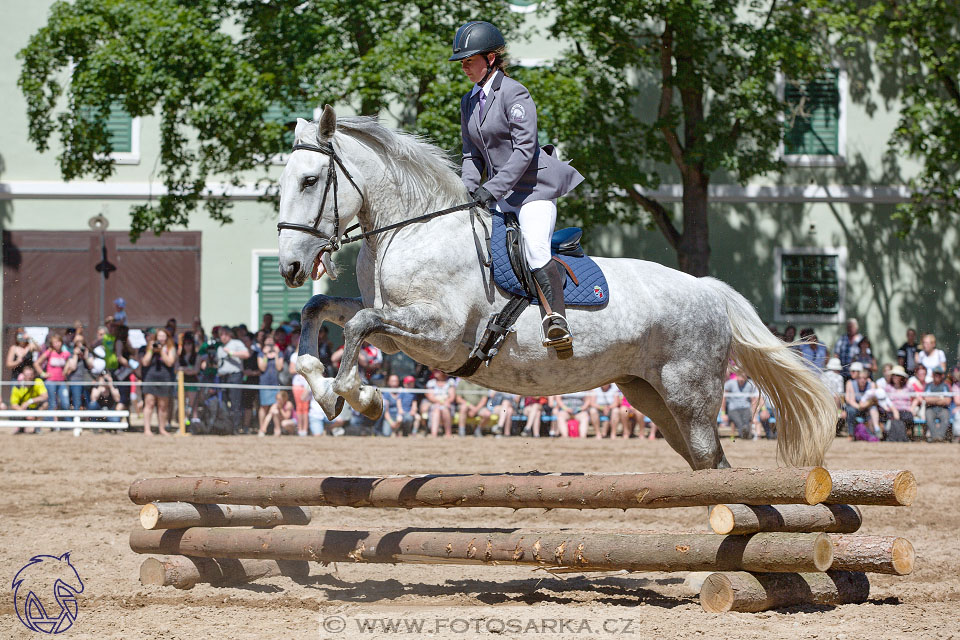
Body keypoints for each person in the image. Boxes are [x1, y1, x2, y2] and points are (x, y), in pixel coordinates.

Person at [451, 20, 584, 351]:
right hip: (500, 192)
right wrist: (467, 189)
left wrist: (491, 188)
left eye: (470, 60)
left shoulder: (514, 93)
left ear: (492, 59)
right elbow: (471, 155)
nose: (465, 66)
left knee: (535, 248)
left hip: (532, 190)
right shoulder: (469, 101)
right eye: (463, 62)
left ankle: (556, 320)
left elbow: (525, 150)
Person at [142, 328, 177, 436]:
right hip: (151, 377)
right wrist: (152, 350)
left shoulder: (170, 348)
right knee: (149, 403)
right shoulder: (150, 346)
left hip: (165, 377)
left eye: (163, 336)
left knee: (163, 405)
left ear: (167, 338)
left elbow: (170, 362)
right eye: (159, 336)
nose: (161, 338)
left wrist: (161, 351)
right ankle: (147, 429)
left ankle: (162, 429)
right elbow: (145, 362)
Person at [217, 326, 250, 432]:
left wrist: (231, 353)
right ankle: (227, 426)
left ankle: (235, 427)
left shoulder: (236, 343)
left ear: (229, 334)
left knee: (236, 403)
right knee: (224, 403)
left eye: (224, 334)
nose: (222, 337)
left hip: (235, 376)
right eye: (220, 335)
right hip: (223, 377)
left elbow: (246, 354)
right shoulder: (220, 347)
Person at [34, 332, 71, 417]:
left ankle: (65, 423)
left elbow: (69, 362)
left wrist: (66, 370)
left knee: (65, 403)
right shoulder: (49, 352)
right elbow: (36, 363)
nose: (56, 344)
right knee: (52, 402)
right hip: (51, 381)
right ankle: (51, 423)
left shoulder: (64, 353)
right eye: (54, 342)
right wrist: (43, 374)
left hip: (61, 381)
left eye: (58, 342)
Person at [257, 335, 285, 436]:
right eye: (267, 340)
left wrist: (276, 354)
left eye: (271, 340)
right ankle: (262, 428)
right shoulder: (261, 354)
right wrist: (265, 355)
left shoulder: (279, 353)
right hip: (264, 383)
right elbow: (262, 368)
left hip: (275, 383)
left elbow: (279, 367)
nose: (269, 342)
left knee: (275, 406)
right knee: (264, 407)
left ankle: (277, 429)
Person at [844, 362, 878, 441]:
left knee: (873, 409)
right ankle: (851, 434)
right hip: (856, 406)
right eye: (860, 378)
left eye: (864, 378)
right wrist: (860, 406)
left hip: (867, 406)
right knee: (851, 410)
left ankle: (873, 433)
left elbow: (873, 400)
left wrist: (865, 405)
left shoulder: (871, 384)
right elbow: (850, 400)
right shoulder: (850, 383)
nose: (862, 380)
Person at [723, 371, 759, 440]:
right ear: (737, 376)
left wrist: (754, 414)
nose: (741, 379)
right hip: (733, 409)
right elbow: (723, 397)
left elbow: (754, 400)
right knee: (739, 422)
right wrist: (723, 413)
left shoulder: (750, 384)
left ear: (746, 377)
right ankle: (746, 434)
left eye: (743, 377)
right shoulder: (730, 383)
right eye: (740, 376)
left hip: (746, 408)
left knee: (746, 421)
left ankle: (745, 434)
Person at [885, 366, 914, 442]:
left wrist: (913, 407)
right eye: (894, 375)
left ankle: (895, 439)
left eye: (897, 375)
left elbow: (917, 397)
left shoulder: (908, 387)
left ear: (902, 377)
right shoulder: (888, 387)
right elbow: (885, 400)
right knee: (896, 419)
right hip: (892, 411)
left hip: (905, 411)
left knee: (903, 418)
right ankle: (901, 439)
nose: (895, 377)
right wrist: (894, 410)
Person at [178, 333, 201, 424]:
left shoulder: (196, 356)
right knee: (182, 404)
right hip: (182, 382)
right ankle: (183, 422)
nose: (187, 346)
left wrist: (184, 369)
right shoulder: (180, 357)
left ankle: (194, 421)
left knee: (193, 403)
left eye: (189, 344)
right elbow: (177, 369)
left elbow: (196, 370)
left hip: (192, 381)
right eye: (185, 344)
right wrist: (187, 369)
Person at [923, 366, 951, 442]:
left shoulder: (946, 386)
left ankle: (939, 437)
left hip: (943, 409)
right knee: (928, 416)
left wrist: (933, 399)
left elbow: (947, 401)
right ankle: (935, 437)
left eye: (939, 374)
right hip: (930, 409)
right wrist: (940, 398)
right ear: (933, 374)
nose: (937, 376)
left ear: (942, 375)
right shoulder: (928, 385)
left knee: (946, 416)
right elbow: (926, 400)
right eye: (935, 374)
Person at [425, 369, 457, 437]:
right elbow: (430, 397)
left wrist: (445, 402)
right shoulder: (431, 382)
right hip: (435, 404)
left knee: (445, 409)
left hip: (447, 404)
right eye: (434, 370)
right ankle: (434, 434)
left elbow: (452, 396)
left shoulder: (450, 382)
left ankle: (448, 433)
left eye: (437, 370)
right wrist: (439, 402)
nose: (435, 372)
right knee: (436, 410)